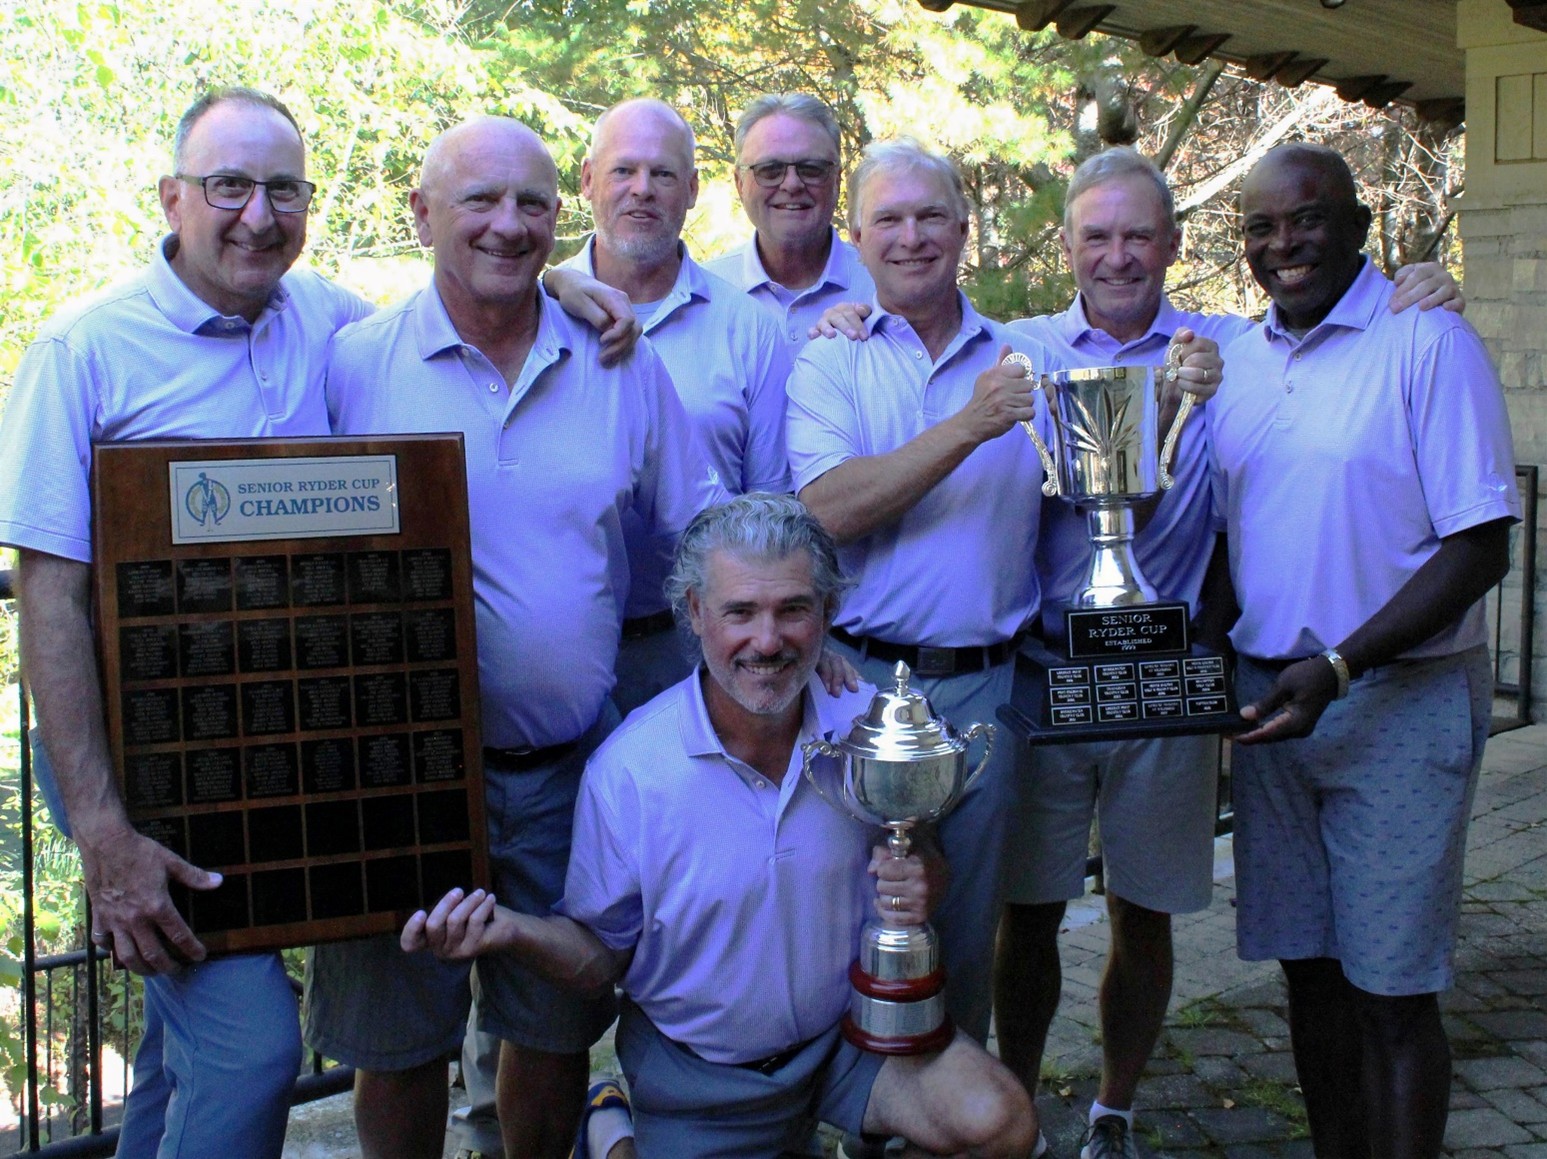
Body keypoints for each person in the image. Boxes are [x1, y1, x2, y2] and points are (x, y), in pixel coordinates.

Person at [983, 147, 1464, 1159]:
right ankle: (1011, 1110)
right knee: (1025, 915)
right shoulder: (1016, 347)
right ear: (1066, 246)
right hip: (1044, 671)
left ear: (1172, 243)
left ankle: (1112, 1110)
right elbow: (919, 342)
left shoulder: (1230, 347)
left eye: (1137, 235)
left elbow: (1333, 332)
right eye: (1095, 236)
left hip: (1171, 675)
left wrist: (1420, 283)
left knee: (1146, 908)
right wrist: (844, 313)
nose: (1117, 255)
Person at [302, 115, 716, 1159]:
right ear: (420, 214)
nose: (507, 224)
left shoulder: (618, 360)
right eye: (479, 199)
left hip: (565, 769)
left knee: (552, 1030)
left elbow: (704, 531)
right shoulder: (351, 364)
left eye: (532, 203)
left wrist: (790, 639)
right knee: (398, 1042)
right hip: (398, 780)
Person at [403, 492, 1038, 1159]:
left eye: (792, 609)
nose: (767, 640)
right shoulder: (632, 770)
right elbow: (599, 959)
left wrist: (922, 876)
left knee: (1000, 1122)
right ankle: (611, 1127)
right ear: (695, 612)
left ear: (827, 613)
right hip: (698, 1080)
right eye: (741, 611)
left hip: (849, 1045)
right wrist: (508, 930)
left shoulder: (868, 725)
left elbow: (923, 856)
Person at [785, 137, 1223, 1063]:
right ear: (856, 237)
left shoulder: (1030, 356)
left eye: (931, 217)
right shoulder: (831, 356)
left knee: (971, 931)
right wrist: (970, 423)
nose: (911, 237)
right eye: (888, 219)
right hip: (855, 683)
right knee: (840, 921)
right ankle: (845, 1111)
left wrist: (1168, 416)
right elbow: (825, 512)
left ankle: (963, 1112)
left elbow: (1105, 499)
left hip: (994, 690)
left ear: (963, 229)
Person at [0, 87, 370, 1158]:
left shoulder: (334, 321)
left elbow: (464, 316)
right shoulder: (84, 351)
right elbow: (49, 595)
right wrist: (105, 835)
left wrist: (570, 284)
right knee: (252, 1048)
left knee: (183, 1056)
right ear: (172, 198)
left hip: (266, 763)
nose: (259, 215)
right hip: (134, 773)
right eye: (229, 186)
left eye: (284, 190)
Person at [1208, 142, 1518, 1157]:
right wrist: (1200, 673)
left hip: (1397, 704)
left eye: (1304, 219)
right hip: (1272, 710)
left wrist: (1338, 666)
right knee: (1309, 975)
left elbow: (1478, 546)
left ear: (1357, 223)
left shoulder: (1424, 339)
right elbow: (1229, 542)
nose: (1282, 244)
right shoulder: (1236, 359)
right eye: (1258, 227)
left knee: (1391, 993)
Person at [565, 97, 791, 716]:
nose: (642, 189)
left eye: (663, 174)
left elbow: (771, 505)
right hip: (560, 651)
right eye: (623, 170)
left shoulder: (748, 329)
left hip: (701, 651)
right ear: (587, 179)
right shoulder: (537, 316)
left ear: (691, 190)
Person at [703, 93, 875, 348]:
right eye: (770, 170)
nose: (792, 184)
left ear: (837, 180)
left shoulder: (882, 287)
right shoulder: (703, 296)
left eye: (811, 169)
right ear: (739, 184)